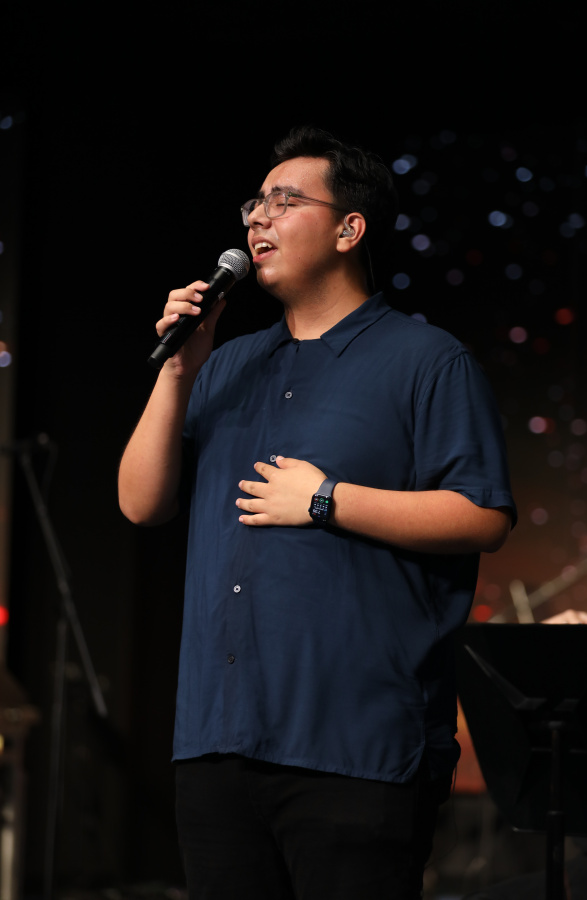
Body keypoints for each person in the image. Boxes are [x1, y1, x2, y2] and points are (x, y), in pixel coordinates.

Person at [118, 126, 517, 900]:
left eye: (285, 201)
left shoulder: (426, 360)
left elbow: (482, 516)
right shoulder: (228, 364)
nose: (257, 219)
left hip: (356, 749)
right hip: (218, 743)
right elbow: (140, 503)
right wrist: (178, 371)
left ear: (349, 228)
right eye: (254, 204)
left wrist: (327, 500)